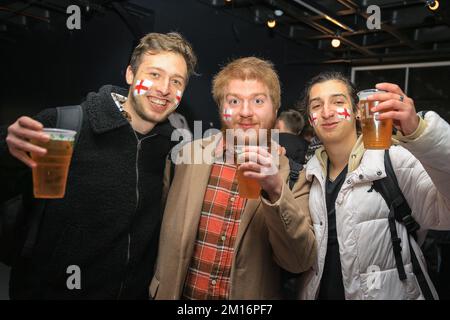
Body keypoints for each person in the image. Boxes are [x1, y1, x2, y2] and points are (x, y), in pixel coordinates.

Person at [0, 32, 197, 299]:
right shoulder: (65, 125)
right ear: (130, 74)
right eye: (154, 74)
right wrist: (6, 150)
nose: (164, 89)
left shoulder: (171, 149)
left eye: (176, 81)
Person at [150, 57, 317, 300]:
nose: (246, 112)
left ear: (275, 108)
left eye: (258, 101)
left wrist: (276, 191)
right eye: (234, 101)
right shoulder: (184, 157)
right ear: (221, 108)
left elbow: (299, 262)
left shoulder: (293, 177)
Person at [297, 71, 450, 299]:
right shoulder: (308, 176)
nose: (327, 112)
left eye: (338, 102)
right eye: (317, 106)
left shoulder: (394, 161)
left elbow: (445, 214)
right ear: (310, 118)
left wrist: (421, 132)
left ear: (359, 112)